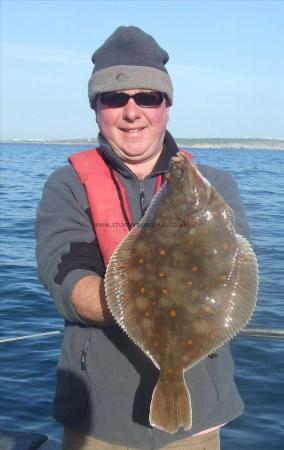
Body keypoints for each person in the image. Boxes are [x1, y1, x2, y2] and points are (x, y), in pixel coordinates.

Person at [35, 26, 251, 450]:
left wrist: (167, 308)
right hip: (98, 418)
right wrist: (141, 305)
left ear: (166, 106)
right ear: (96, 108)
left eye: (147, 97)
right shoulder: (68, 186)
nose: (132, 112)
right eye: (115, 98)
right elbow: (63, 275)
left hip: (200, 417)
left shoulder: (217, 184)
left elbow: (232, 272)